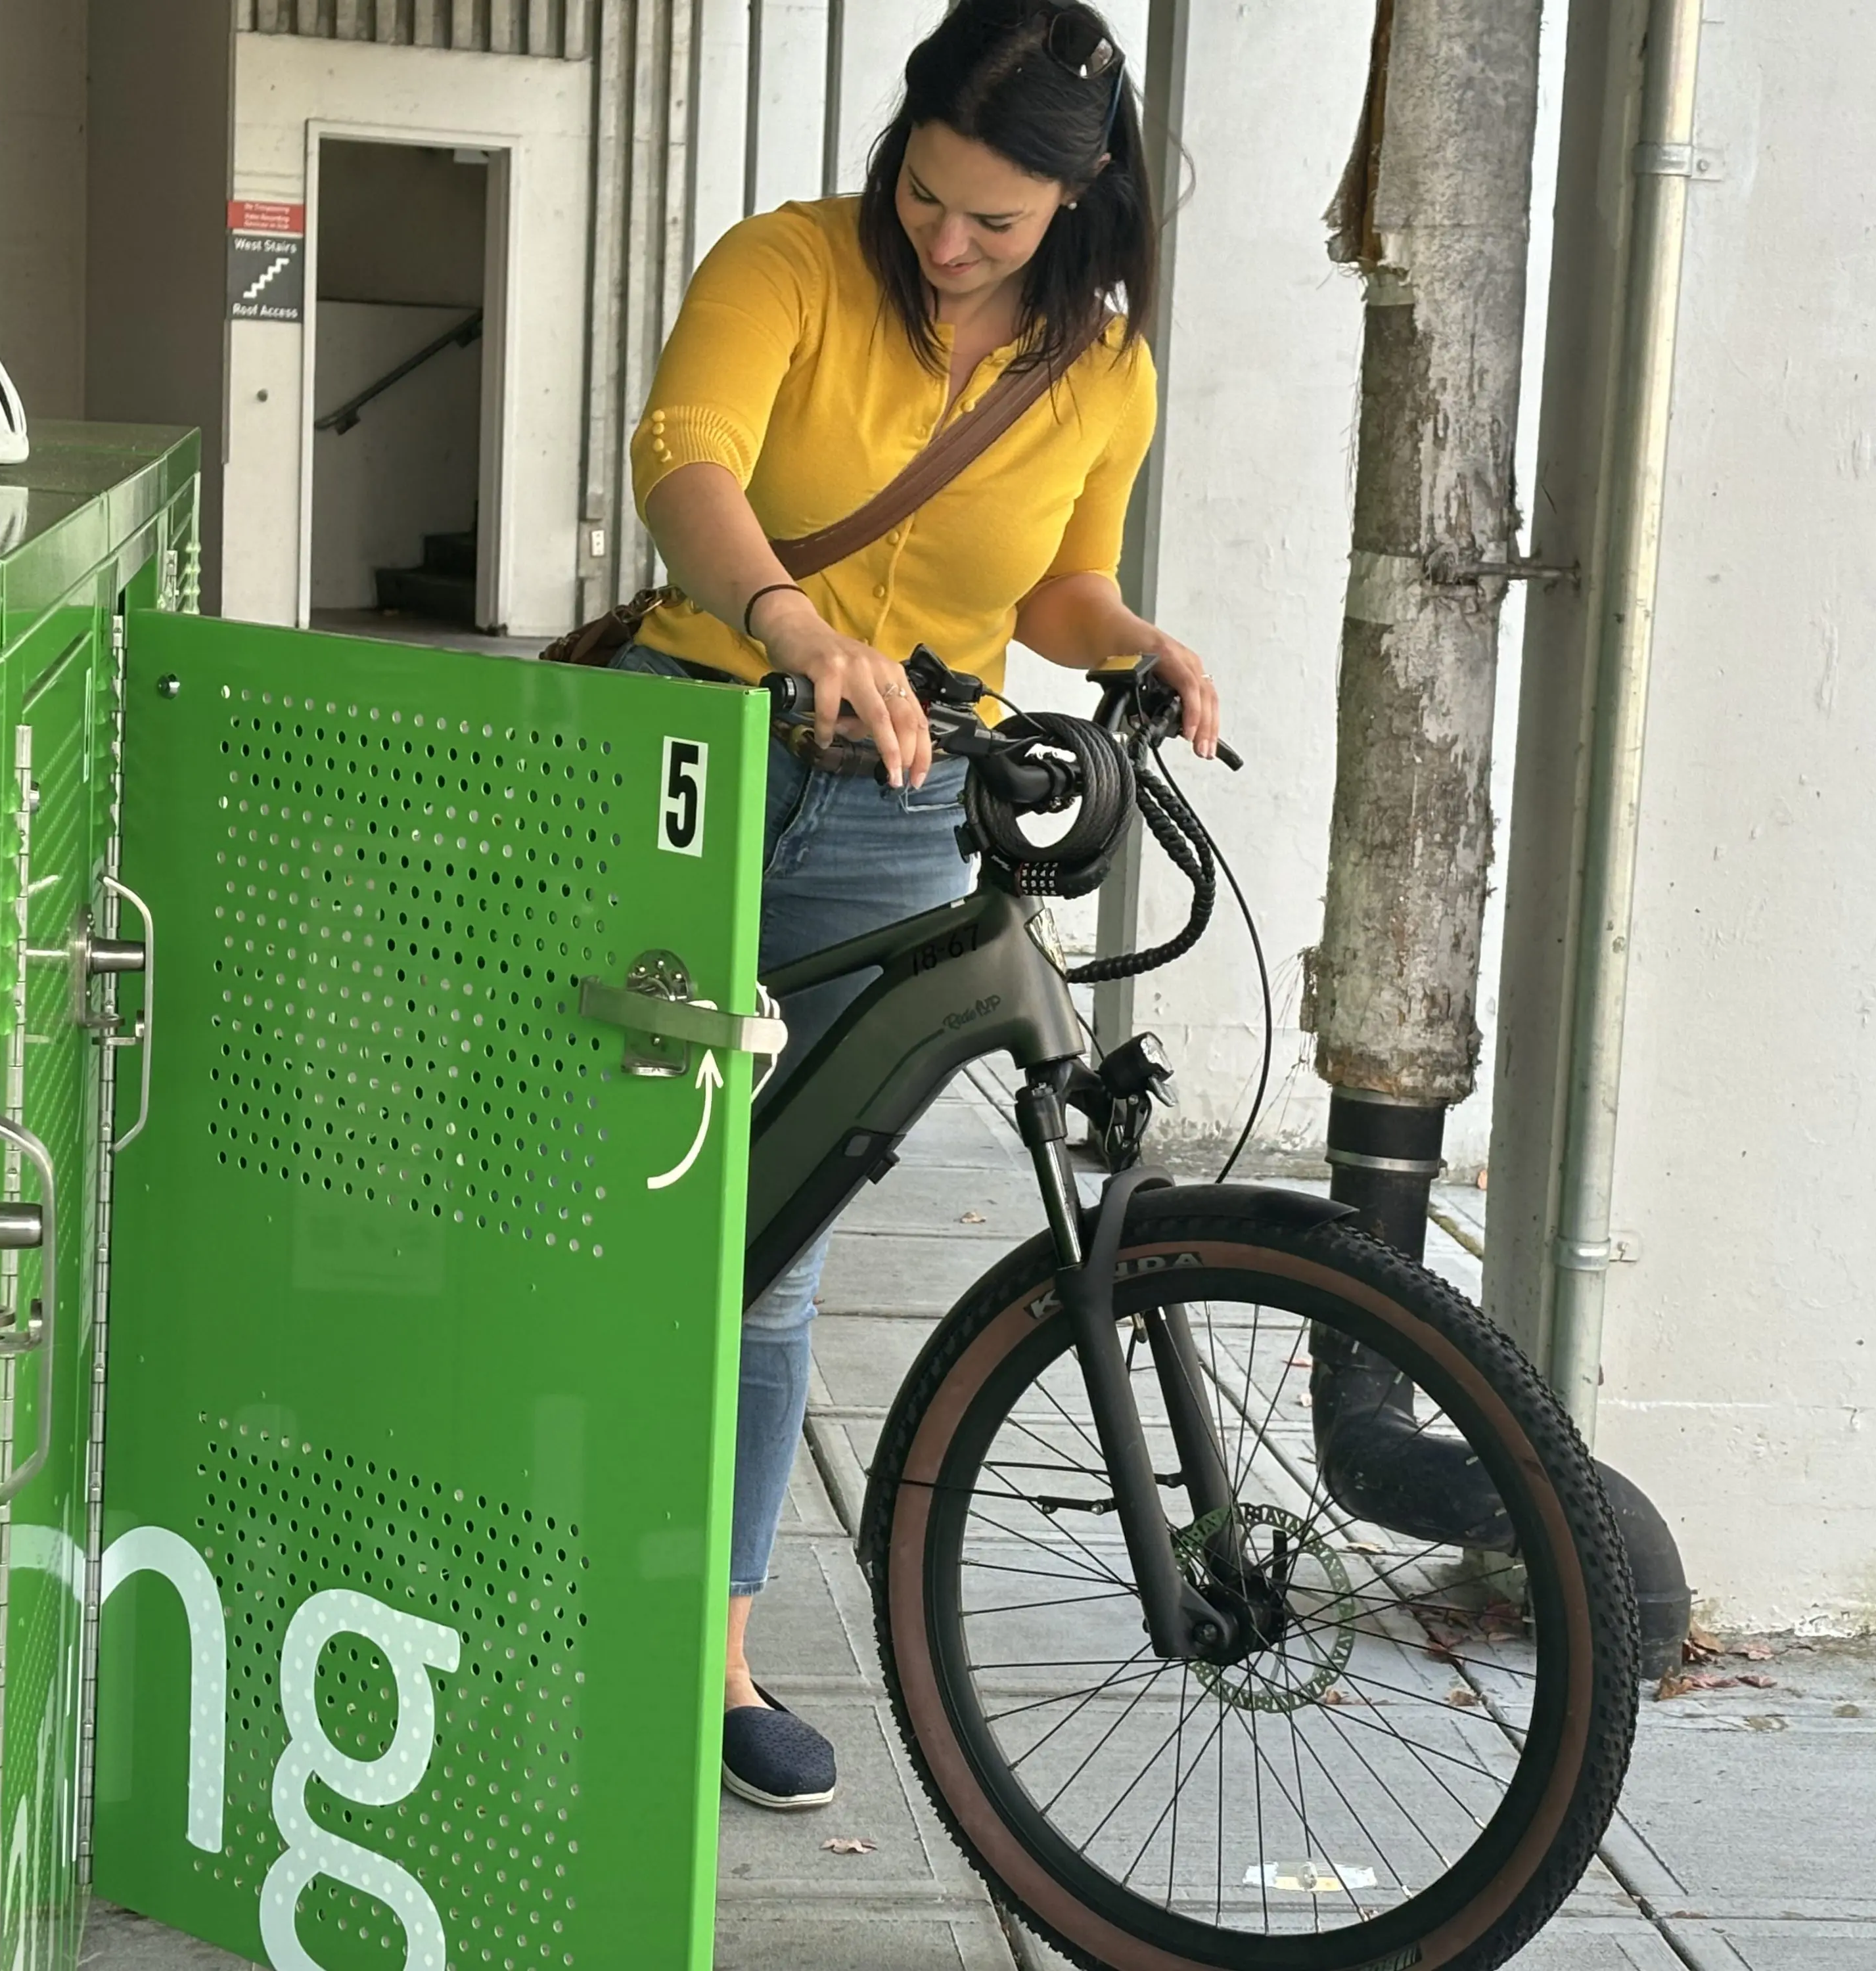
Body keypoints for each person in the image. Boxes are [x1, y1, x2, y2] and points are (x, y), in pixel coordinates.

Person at [620, 0, 1221, 1811]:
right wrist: (792, 627)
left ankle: (707, 1658)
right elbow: (688, 463)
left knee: (772, 1243)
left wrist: (1130, 638)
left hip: (900, 812)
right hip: (685, 762)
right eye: (929, 198)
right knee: (597, 1174)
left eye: (995, 222)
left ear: (1078, 198)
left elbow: (1054, 586)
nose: (945, 244)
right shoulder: (791, 262)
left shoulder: (1106, 370)